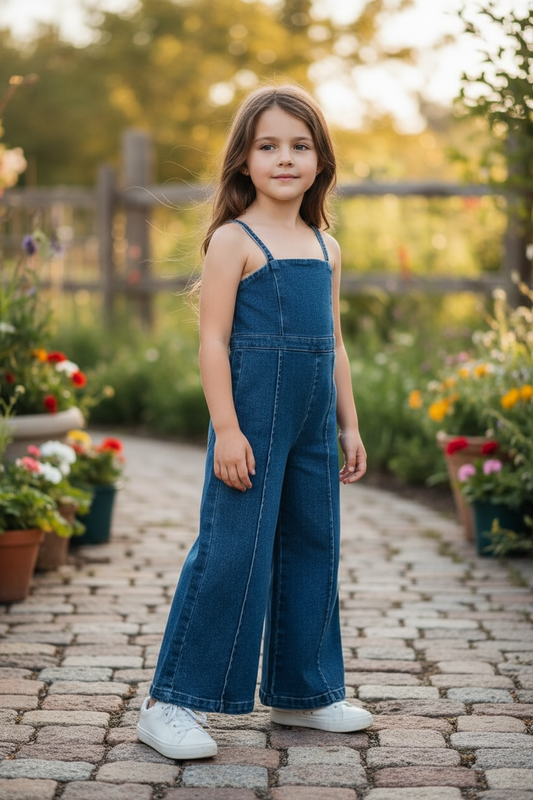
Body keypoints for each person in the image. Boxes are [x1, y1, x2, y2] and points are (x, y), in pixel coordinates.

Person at [137, 83, 372, 760]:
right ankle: (171, 701)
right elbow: (211, 341)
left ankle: (303, 693)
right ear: (243, 159)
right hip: (251, 419)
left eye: (299, 146)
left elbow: (335, 342)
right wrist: (228, 429)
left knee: (311, 544)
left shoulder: (325, 246)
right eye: (267, 145)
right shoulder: (232, 241)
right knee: (233, 549)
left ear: (320, 160)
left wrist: (348, 425)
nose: (284, 158)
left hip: (312, 424)